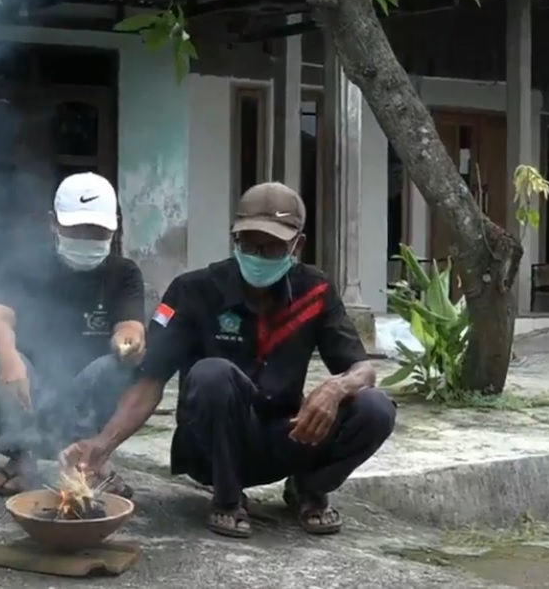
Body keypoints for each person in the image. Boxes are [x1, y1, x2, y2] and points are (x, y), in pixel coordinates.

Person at [61, 182, 396, 539]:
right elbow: (149, 383)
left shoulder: (315, 291)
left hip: (285, 434)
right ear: (234, 239)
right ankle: (227, 499)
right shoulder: (194, 290)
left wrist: (336, 387)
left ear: (297, 245)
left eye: (272, 247)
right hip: (211, 445)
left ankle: (308, 488)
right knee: (212, 373)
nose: (258, 253)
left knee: (376, 408)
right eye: (248, 243)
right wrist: (103, 443)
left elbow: (363, 369)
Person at [0, 172, 145, 499]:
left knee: (117, 367)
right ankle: (24, 459)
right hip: (33, 391)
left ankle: (92, 458)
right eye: (77, 228)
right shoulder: (26, 265)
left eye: (97, 230)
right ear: (54, 224)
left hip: (87, 398)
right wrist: (9, 359)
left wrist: (128, 342)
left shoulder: (123, 273)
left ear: (114, 227)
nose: (87, 237)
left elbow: (130, 326)